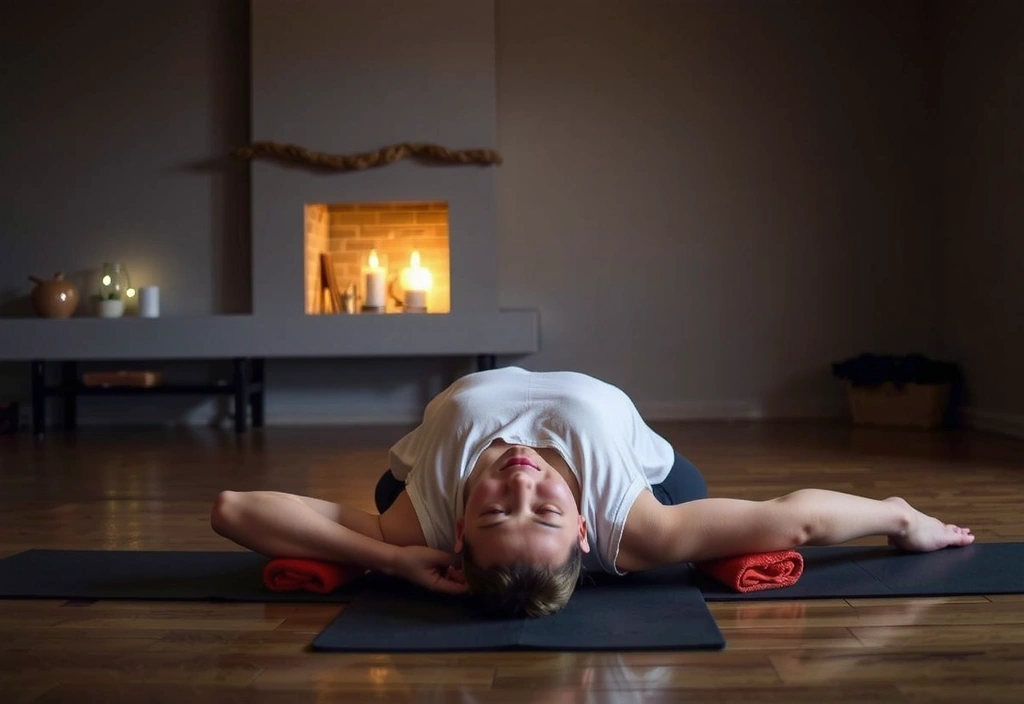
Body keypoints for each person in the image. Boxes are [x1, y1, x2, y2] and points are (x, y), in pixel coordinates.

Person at [210, 367, 974, 617]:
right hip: (641, 471)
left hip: (442, 468)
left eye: (497, 510)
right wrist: (901, 519)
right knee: (696, 511)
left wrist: (391, 560)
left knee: (387, 503)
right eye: (540, 511)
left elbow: (235, 510)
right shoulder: (635, 531)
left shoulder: (425, 519)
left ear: (455, 534)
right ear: (583, 532)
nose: (521, 484)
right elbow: (795, 521)